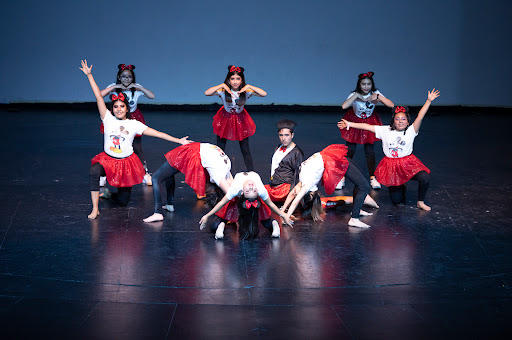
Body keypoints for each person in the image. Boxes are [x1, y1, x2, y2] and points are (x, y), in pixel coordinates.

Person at [79, 60, 191, 220]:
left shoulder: (134, 124)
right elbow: (98, 95)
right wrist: (89, 75)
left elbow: (158, 133)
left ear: (127, 108)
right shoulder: (107, 118)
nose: (118, 109)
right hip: (108, 160)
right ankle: (95, 208)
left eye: (122, 106)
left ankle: (110, 195)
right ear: (112, 109)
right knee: (94, 171)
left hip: (125, 163)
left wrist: (178, 141)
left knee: (123, 201)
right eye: (116, 106)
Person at [338, 89, 440, 211]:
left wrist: (428, 101)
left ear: (407, 121)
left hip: (408, 163)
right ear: (393, 121)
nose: (400, 121)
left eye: (403, 119)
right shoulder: (385, 130)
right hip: (392, 166)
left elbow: (420, 116)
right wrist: (349, 124)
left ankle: (420, 201)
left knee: (424, 178)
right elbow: (366, 126)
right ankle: (401, 185)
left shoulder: (411, 131)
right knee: (397, 201)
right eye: (397, 119)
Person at [281, 144, 378, 229]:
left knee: (361, 184)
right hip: (332, 161)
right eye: (297, 193)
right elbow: (295, 200)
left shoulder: (301, 181)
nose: (294, 192)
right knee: (364, 186)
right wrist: (287, 217)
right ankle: (354, 219)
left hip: (330, 156)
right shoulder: (307, 184)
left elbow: (291, 195)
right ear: (309, 195)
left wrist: (282, 211)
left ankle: (356, 209)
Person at [143, 143, 233, 222]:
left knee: (156, 178)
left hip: (192, 152)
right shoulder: (225, 173)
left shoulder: (220, 173)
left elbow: (230, 194)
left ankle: (157, 213)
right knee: (169, 170)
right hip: (194, 151)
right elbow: (233, 191)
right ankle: (169, 204)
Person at [99, 64, 156, 185]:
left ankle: (145, 173)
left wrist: (137, 87)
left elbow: (152, 96)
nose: (126, 79)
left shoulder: (136, 89)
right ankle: (104, 174)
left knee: (137, 147)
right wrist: (116, 86)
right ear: (119, 77)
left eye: (129, 77)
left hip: (132, 118)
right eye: (123, 76)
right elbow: (100, 95)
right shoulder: (113, 87)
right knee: (112, 145)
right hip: (115, 120)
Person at [204, 65, 267, 171]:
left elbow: (264, 94)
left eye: (238, 79)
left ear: (242, 80)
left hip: (240, 120)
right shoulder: (223, 91)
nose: (235, 81)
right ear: (229, 80)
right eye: (232, 79)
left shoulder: (245, 92)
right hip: (224, 119)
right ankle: (216, 171)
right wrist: (223, 85)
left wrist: (248, 86)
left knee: (245, 149)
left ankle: (252, 173)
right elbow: (207, 93)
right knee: (220, 148)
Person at [339, 71, 394, 189]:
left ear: (372, 84)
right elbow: (344, 106)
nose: (366, 87)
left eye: (368, 84)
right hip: (354, 122)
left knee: (370, 151)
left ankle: (372, 177)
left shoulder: (375, 93)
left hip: (369, 122)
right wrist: (356, 96)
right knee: (350, 150)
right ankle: (342, 177)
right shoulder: (355, 94)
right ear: (359, 84)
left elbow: (391, 105)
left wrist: (378, 97)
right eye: (363, 84)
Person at [199, 172, 294, 240]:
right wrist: (283, 215)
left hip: (250, 201)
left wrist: (283, 215)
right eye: (252, 190)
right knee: (260, 216)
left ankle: (221, 224)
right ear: (242, 192)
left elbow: (271, 204)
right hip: (245, 200)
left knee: (259, 217)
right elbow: (270, 204)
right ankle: (274, 223)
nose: (251, 186)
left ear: (242, 192)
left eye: (250, 190)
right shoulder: (259, 190)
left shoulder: (237, 189)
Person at [264, 119, 304, 202]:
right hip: (274, 185)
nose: (283, 138)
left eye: (286, 135)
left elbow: (298, 173)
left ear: (292, 135)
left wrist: (293, 193)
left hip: (285, 189)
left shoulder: (296, 153)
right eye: (281, 135)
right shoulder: (278, 147)